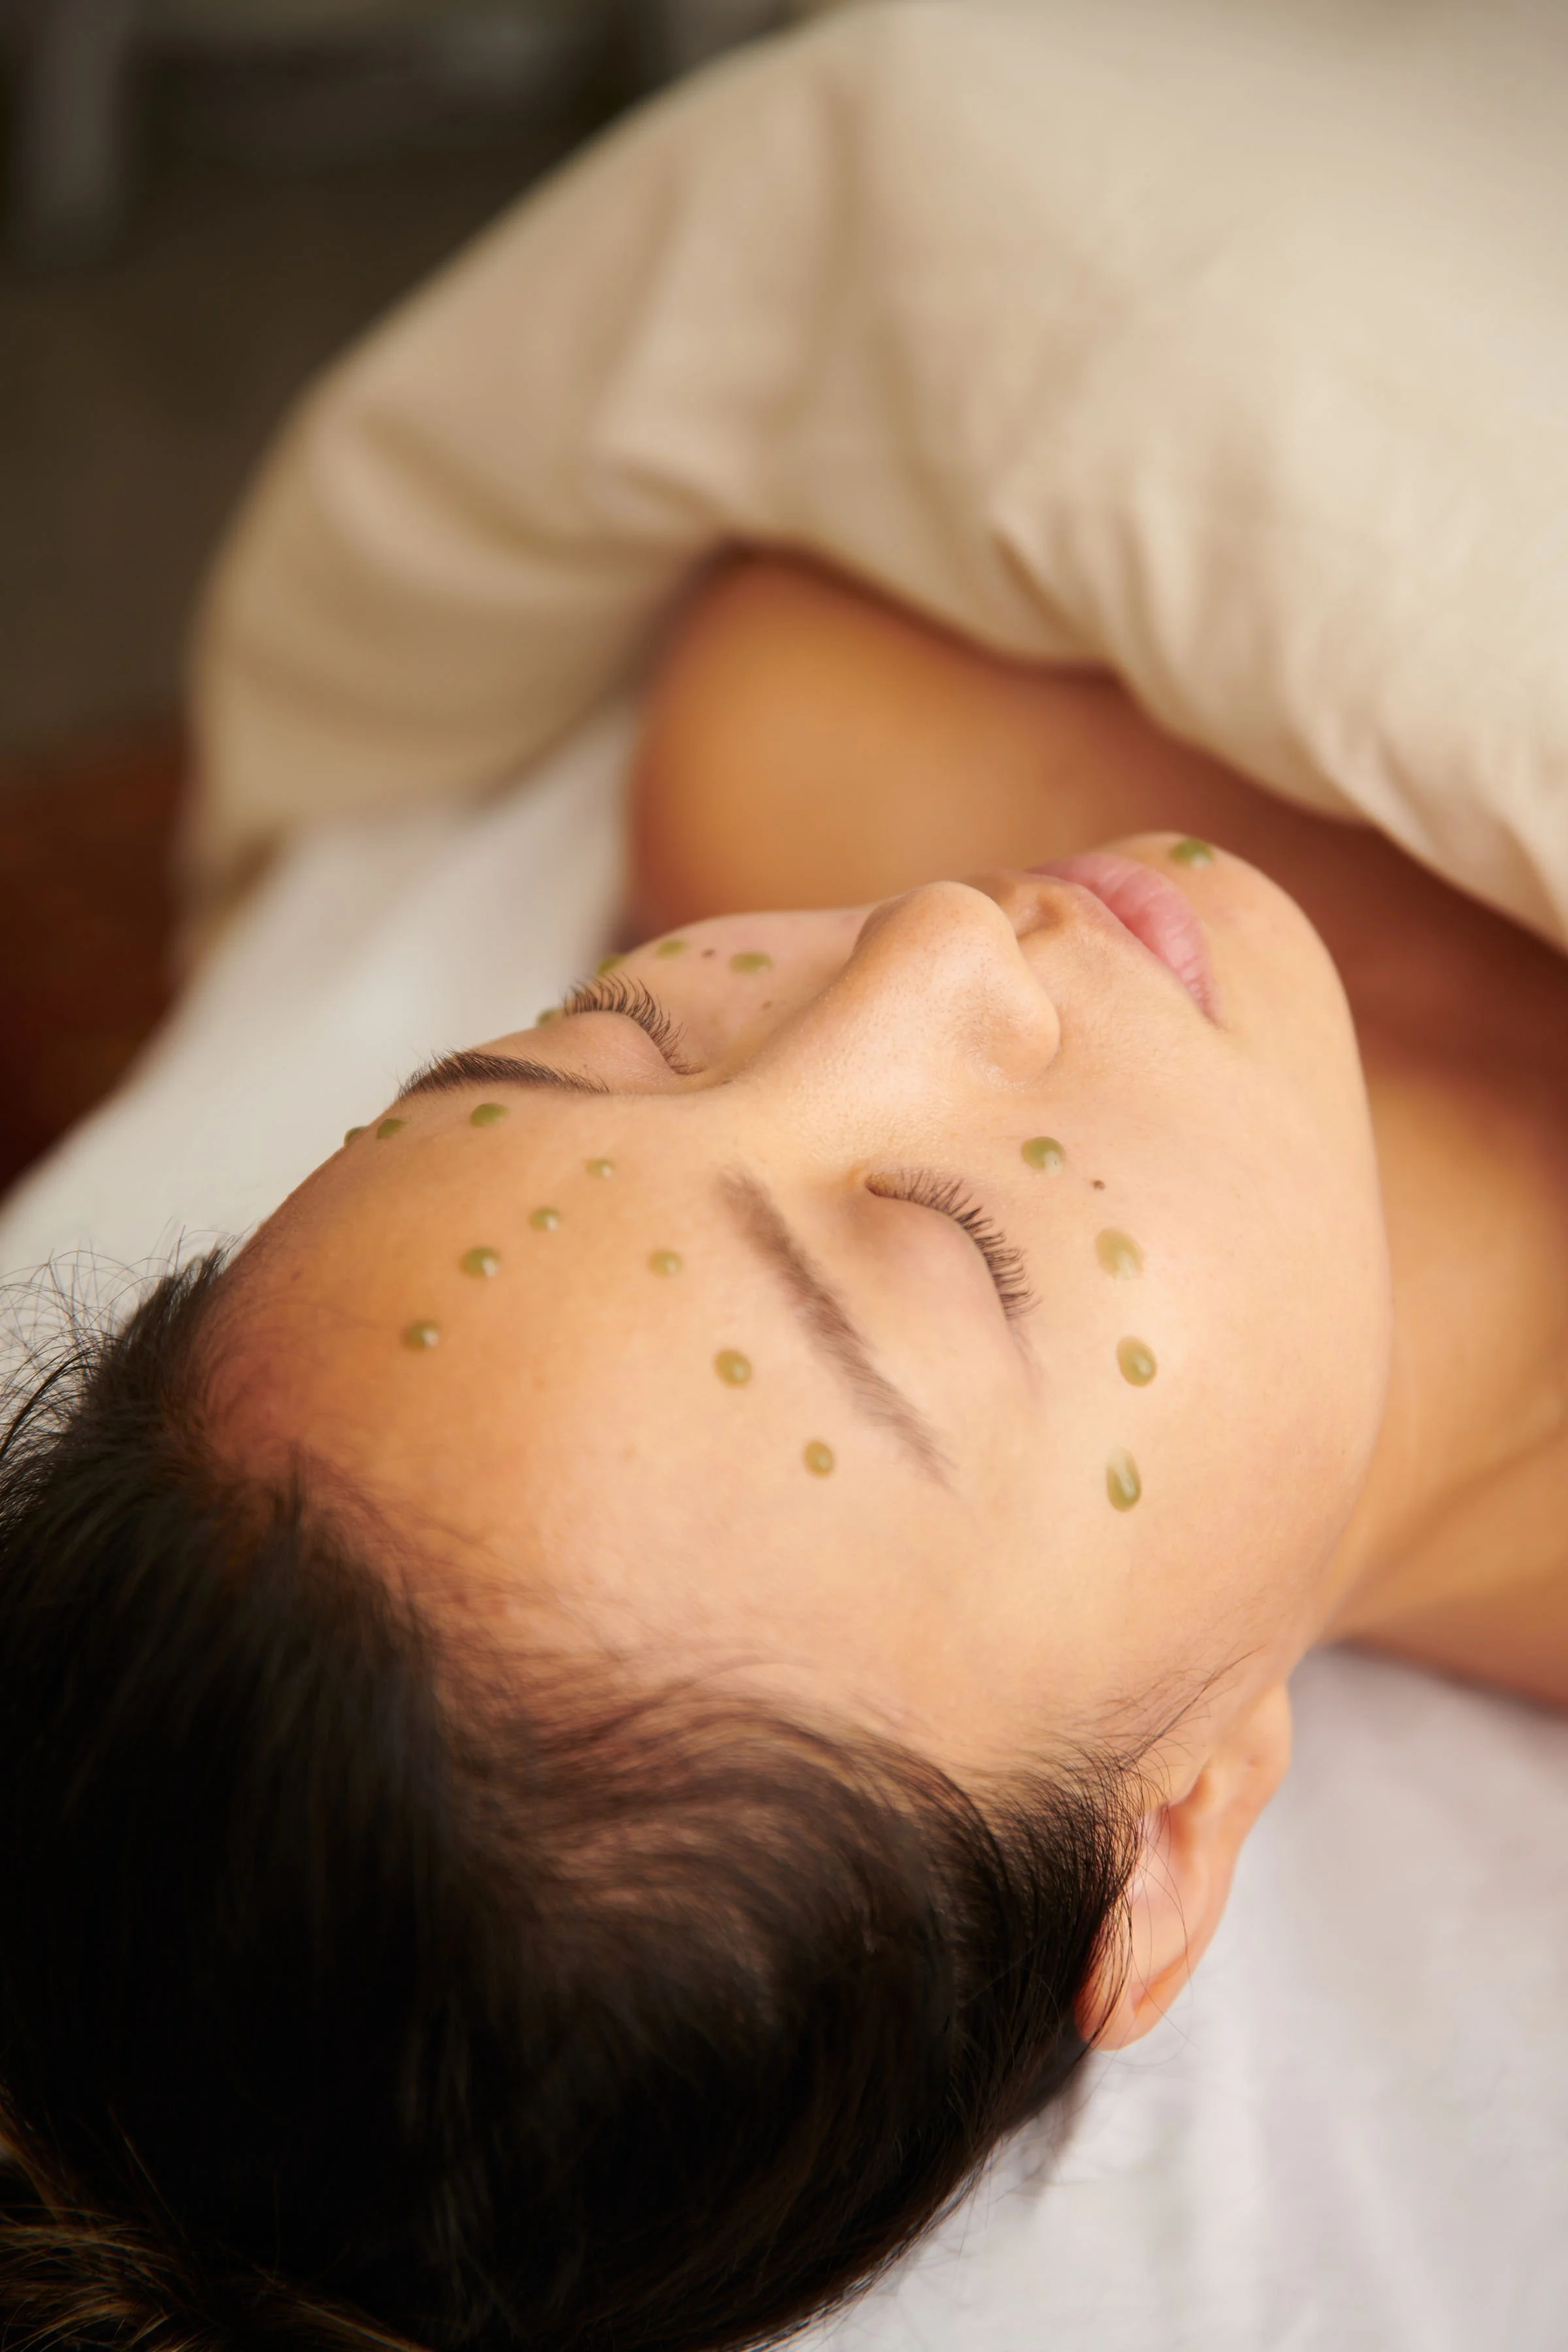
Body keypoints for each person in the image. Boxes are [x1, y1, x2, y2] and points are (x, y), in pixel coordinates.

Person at [1, 552, 1564, 2352]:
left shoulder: (802, 748)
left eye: (624, 1036)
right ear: (1164, 1844)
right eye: (951, 1244)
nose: (928, 942)